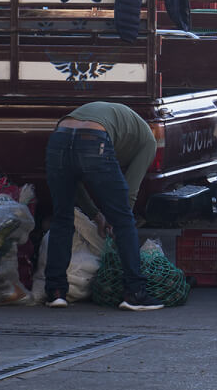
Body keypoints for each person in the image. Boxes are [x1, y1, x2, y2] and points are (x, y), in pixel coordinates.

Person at [42, 102, 161, 311]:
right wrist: (113, 222)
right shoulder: (148, 143)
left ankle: (56, 292)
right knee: (125, 221)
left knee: (62, 217)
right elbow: (130, 191)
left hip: (59, 136)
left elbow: (75, 184)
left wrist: (96, 215)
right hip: (94, 139)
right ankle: (135, 293)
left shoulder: (121, 124)